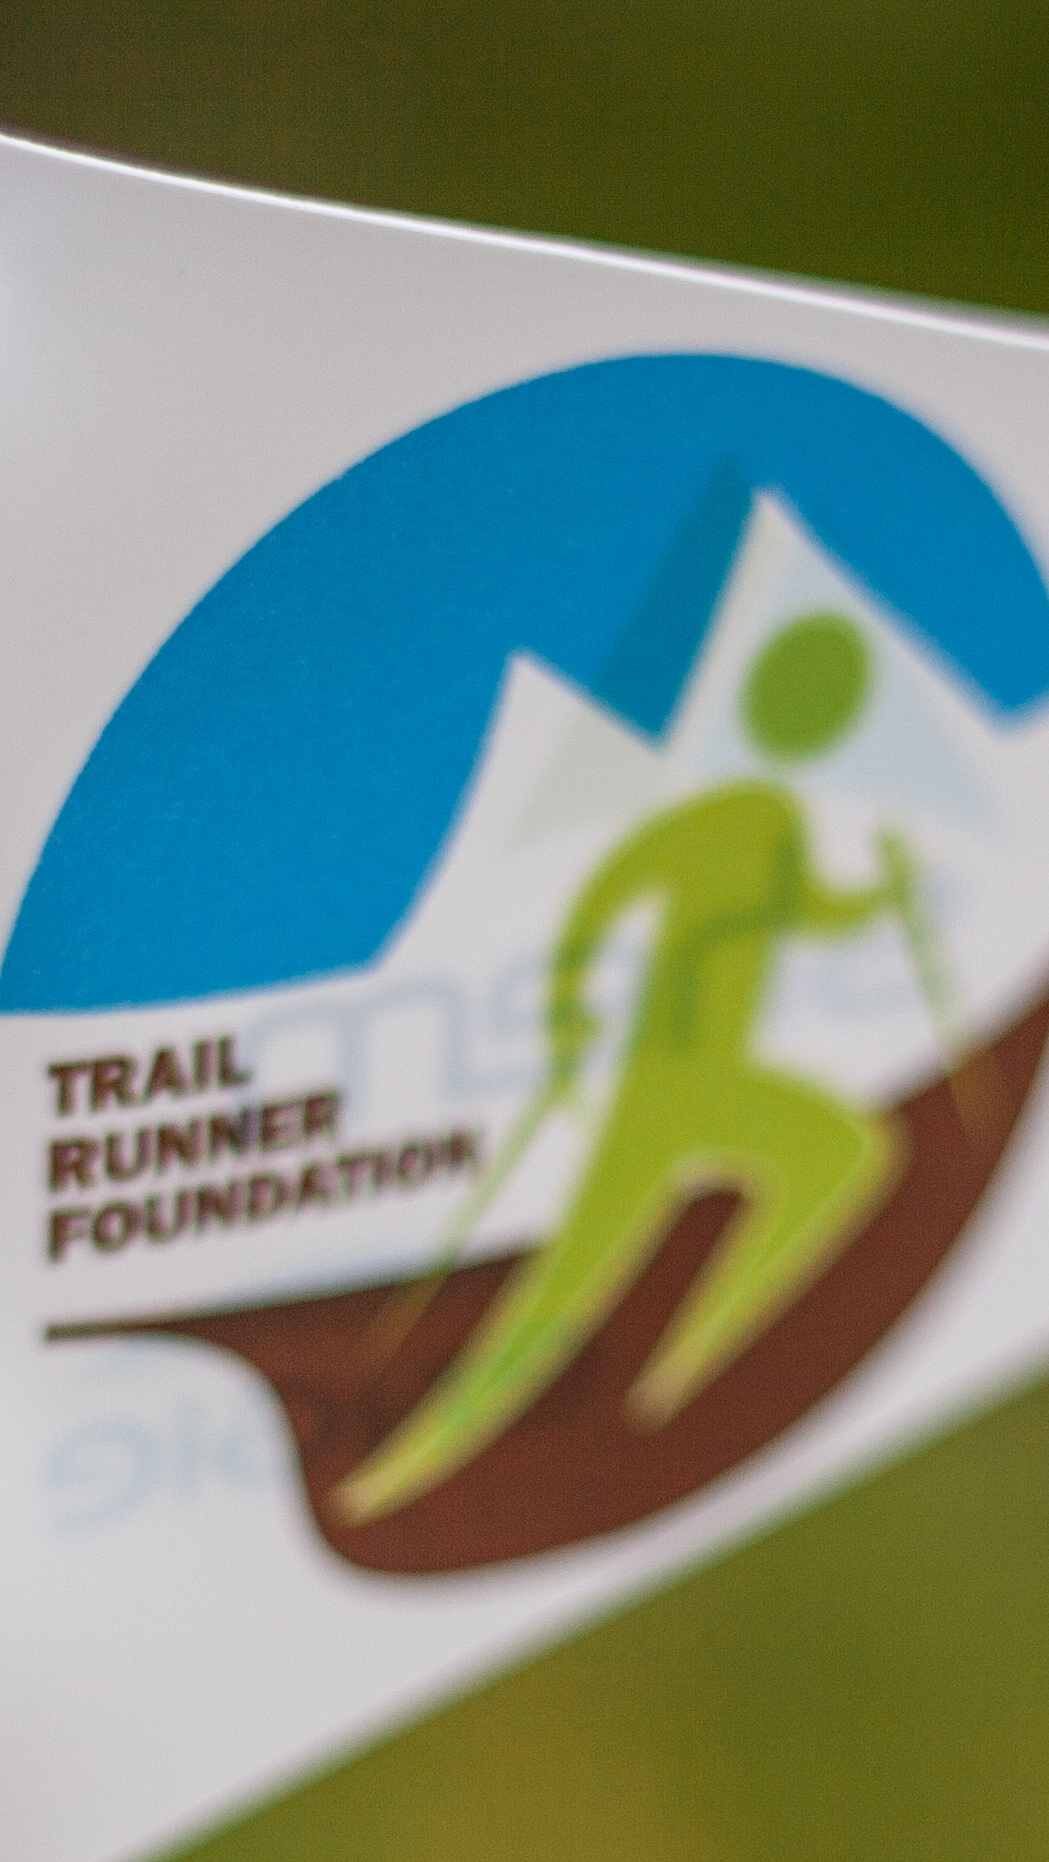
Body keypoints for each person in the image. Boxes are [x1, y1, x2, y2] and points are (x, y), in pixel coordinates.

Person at [339, 612, 933, 1518]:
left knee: (849, 1150)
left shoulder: (779, 817)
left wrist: (886, 893)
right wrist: (567, 1015)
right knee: (568, 1283)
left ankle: (681, 1365)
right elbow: (602, 899)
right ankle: (410, 1463)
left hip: (721, 1080)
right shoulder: (711, 816)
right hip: (666, 1080)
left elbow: (810, 909)